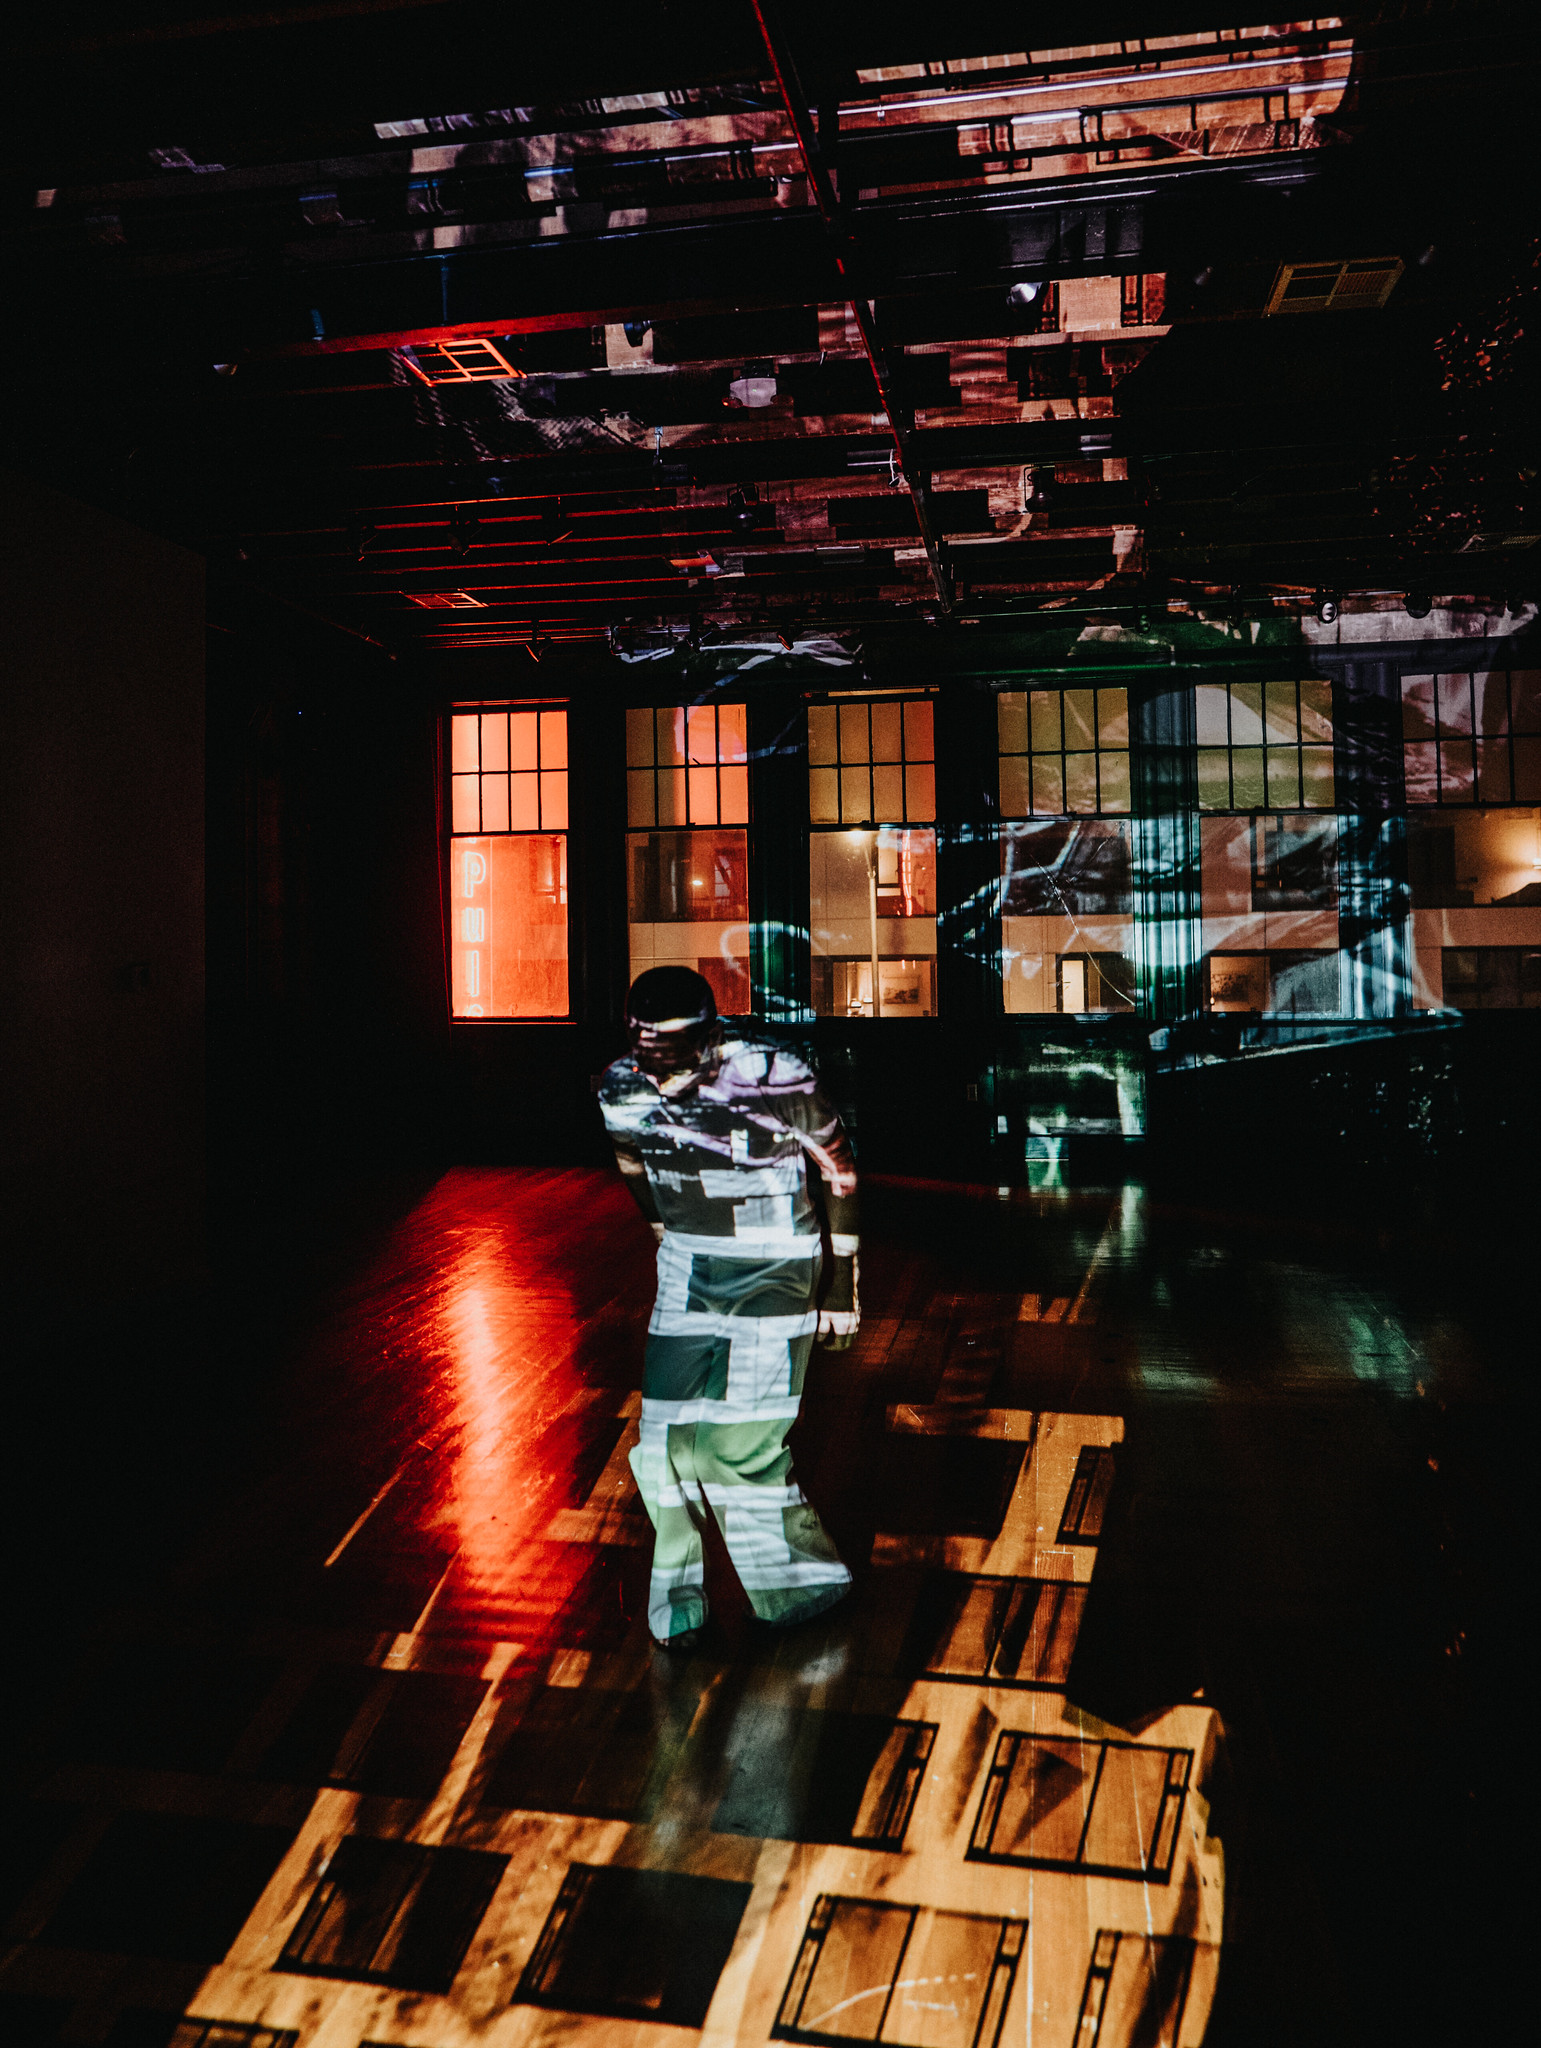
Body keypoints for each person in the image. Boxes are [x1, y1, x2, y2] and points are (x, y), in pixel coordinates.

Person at [598, 965, 859, 1649]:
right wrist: (668, 1236)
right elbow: (633, 1165)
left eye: (674, 1048)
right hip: (688, 1268)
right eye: (645, 1046)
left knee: (736, 1445)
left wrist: (840, 1289)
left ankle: (798, 1583)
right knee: (660, 1449)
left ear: (711, 1036)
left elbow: (838, 1168)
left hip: (774, 1269)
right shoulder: (620, 1088)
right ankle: (679, 1588)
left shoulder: (775, 1077)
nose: (659, 1067)